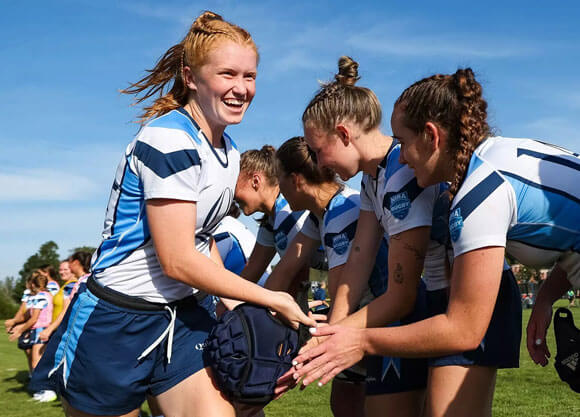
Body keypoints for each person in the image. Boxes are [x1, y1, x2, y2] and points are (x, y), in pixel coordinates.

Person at [30, 11, 314, 417]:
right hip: (116, 320)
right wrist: (270, 297)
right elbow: (178, 259)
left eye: (249, 76)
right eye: (227, 74)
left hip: (181, 318)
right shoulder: (168, 139)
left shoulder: (229, 151)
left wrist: (230, 305)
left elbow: (204, 241)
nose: (241, 88)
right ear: (191, 77)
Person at [293, 66, 580, 416]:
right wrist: (546, 298)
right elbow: (569, 235)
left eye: (401, 141)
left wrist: (355, 339)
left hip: (460, 304)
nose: (398, 155)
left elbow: (460, 327)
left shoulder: (479, 190)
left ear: (430, 135)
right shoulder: (488, 163)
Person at [234, 145, 310, 294]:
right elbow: (249, 275)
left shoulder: (286, 211)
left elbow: (297, 277)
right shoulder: (271, 221)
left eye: (233, 185)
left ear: (255, 181)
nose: (231, 195)